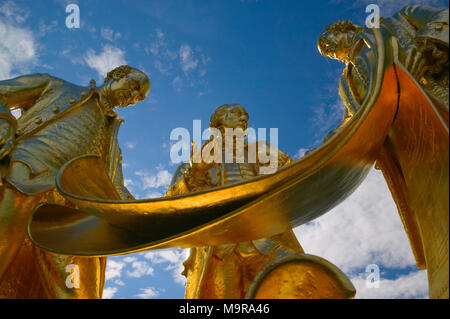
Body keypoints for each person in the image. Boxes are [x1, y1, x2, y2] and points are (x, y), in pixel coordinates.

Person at [0, 65, 150, 298]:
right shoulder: (54, 85)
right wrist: (4, 124)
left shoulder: (113, 144)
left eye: (139, 97)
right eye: (133, 86)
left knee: (80, 289)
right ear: (115, 76)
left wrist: (150, 214)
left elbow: (116, 189)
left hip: (74, 210)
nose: (133, 97)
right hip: (24, 175)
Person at [165, 103, 306, 298]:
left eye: (246, 116)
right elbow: (172, 205)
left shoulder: (262, 150)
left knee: (297, 283)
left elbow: (299, 171)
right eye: (238, 114)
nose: (244, 118)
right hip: (219, 247)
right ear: (219, 120)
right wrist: (196, 173)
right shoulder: (195, 160)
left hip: (264, 238)